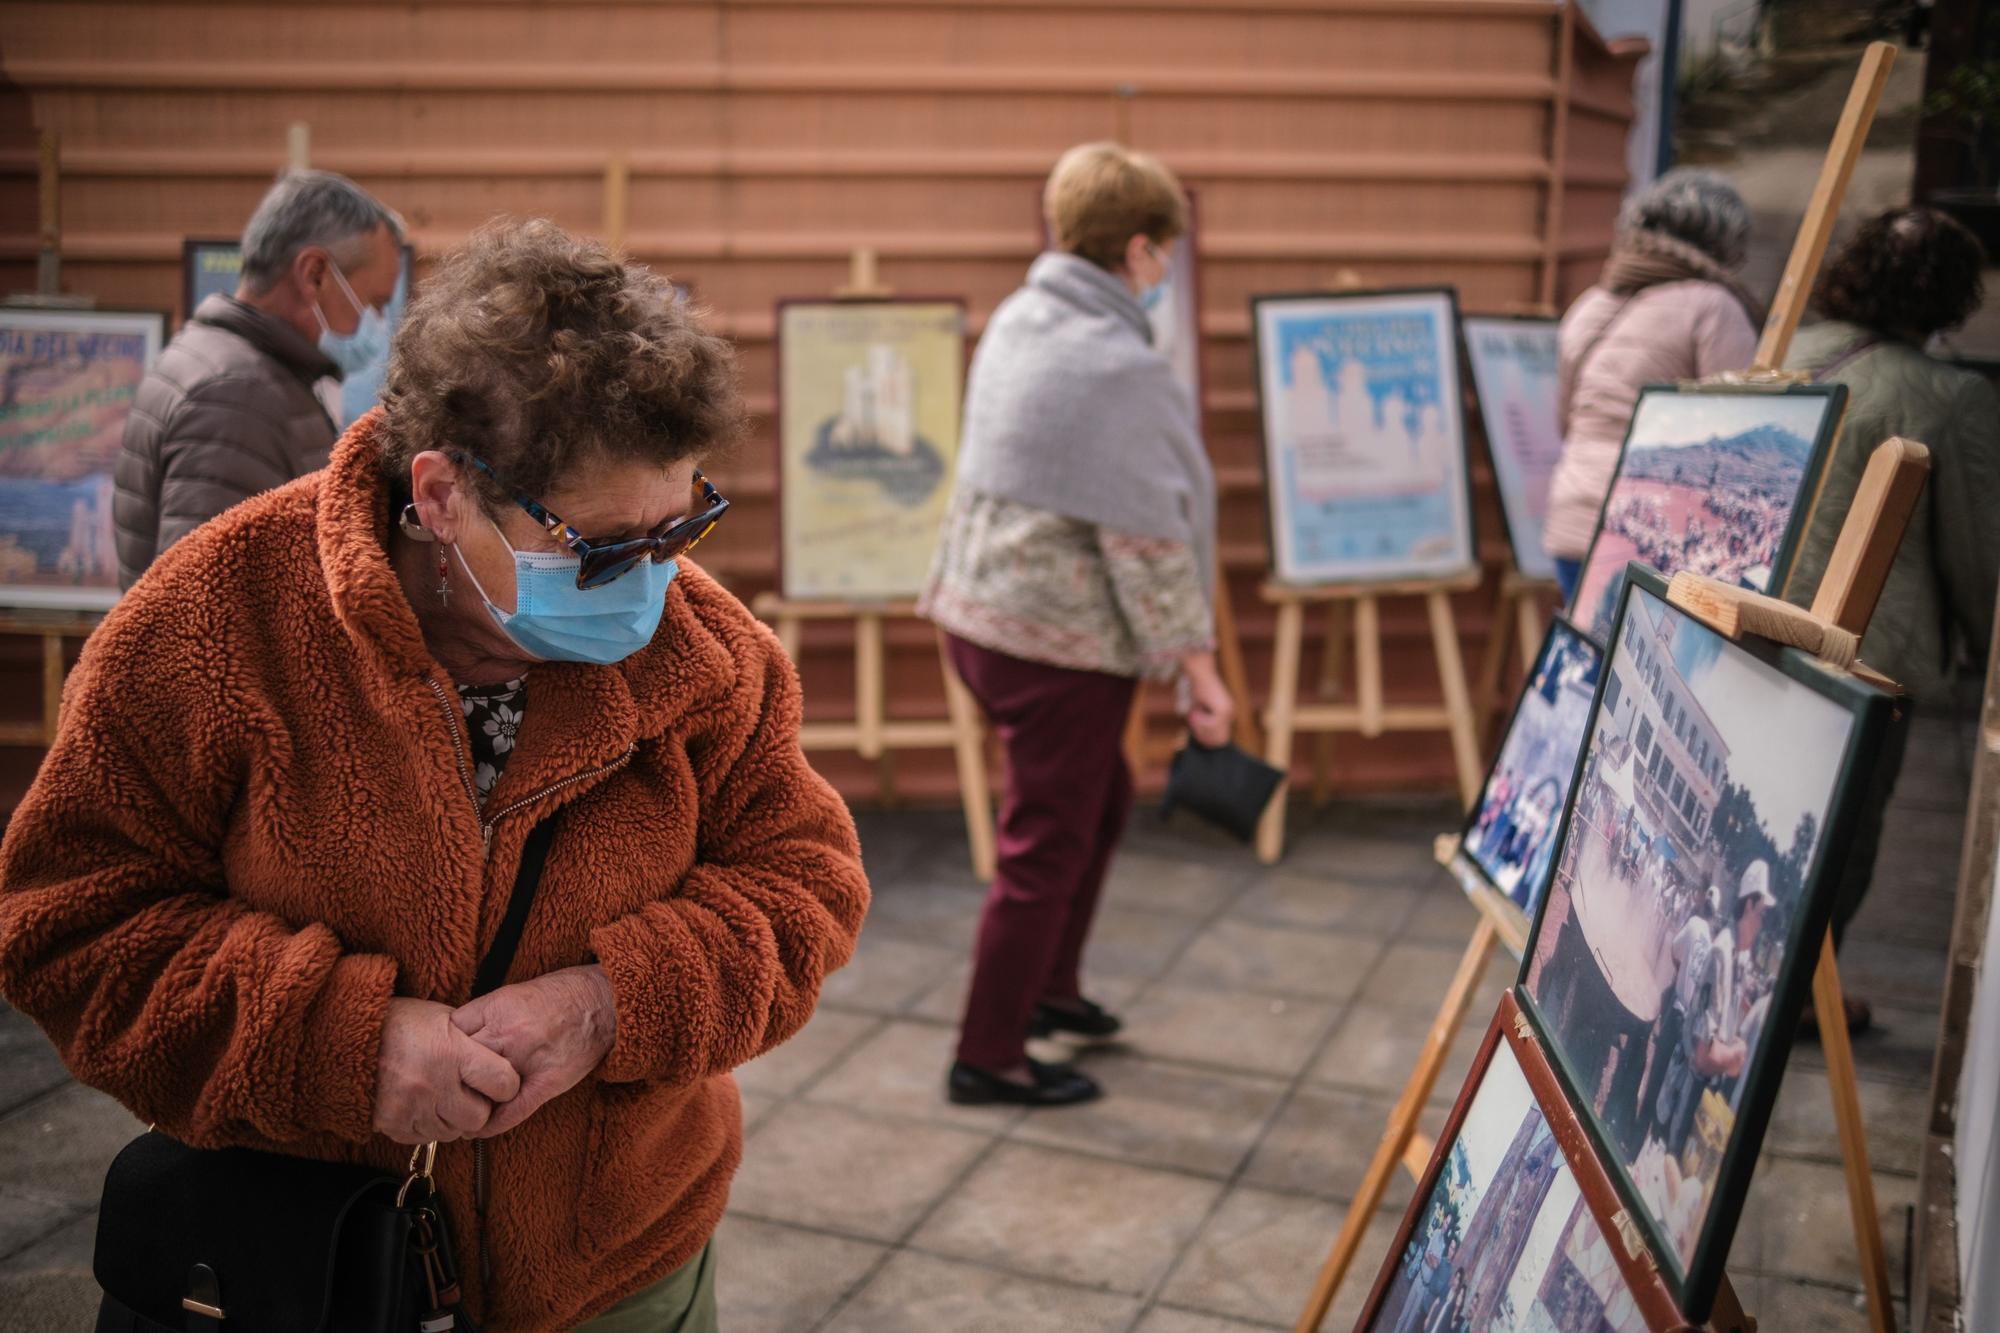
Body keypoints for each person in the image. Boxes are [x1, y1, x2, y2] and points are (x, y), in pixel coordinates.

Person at [0, 220, 870, 1332]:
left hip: (618, 1275)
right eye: (598, 549)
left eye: (680, 527)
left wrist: (611, 1005)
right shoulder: (211, 624)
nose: (649, 585)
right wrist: (340, 1044)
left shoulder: (712, 658)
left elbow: (805, 886)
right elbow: (69, 924)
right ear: (443, 492)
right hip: (296, 1273)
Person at [920, 142, 1231, 1108]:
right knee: (1046, 842)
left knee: (1096, 804)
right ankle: (989, 1053)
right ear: (1137, 250)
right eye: (1163, 251)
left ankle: (1049, 992)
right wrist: (1200, 671)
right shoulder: (1117, 363)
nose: (1165, 268)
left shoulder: (1023, 318)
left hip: (978, 620)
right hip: (1055, 644)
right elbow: (1147, 540)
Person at [1780, 208, 2000, 1031]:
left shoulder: (1790, 351)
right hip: (1866, 647)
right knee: (1843, 832)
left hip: (1757, 621)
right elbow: (1979, 554)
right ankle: (1800, 997)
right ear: (1952, 294)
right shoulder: (1951, 395)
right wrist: (1984, 644)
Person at [113, 169, 404, 588]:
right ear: (315, 274)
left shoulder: (219, 361)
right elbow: (204, 605)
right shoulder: (235, 396)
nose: (377, 323)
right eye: (373, 302)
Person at [1544, 169, 1760, 599]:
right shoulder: (1713, 307)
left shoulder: (1591, 304)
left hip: (1570, 518)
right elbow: (1740, 436)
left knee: (1586, 659)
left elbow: (1564, 422)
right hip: (1648, 530)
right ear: (1726, 241)